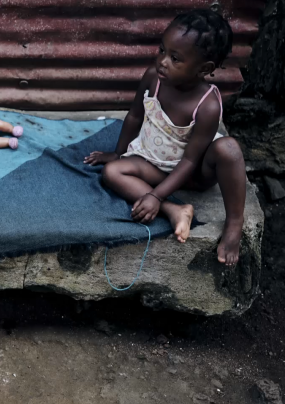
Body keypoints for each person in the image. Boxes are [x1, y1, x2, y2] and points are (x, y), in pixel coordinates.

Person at [84, 9, 246, 266]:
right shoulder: (153, 78)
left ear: (204, 68)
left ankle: (235, 224)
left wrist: (155, 196)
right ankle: (175, 210)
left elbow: (191, 161)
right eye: (162, 50)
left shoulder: (207, 105)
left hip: (193, 173)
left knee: (230, 149)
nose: (162, 61)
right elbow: (135, 116)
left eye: (175, 58)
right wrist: (117, 152)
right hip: (153, 162)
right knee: (112, 172)